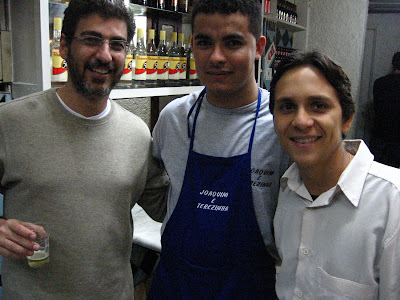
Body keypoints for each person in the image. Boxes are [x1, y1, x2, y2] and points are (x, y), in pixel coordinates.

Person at [0, 0, 169, 298]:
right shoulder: (11, 123)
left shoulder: (137, 134)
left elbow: (169, 206)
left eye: (117, 44)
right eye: (92, 40)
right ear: (64, 45)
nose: (104, 55)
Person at [148, 0, 289, 298]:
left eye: (232, 43)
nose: (216, 57)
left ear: (259, 47)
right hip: (175, 285)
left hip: (249, 288)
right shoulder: (173, 119)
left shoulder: (281, 124)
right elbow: (151, 183)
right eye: (204, 42)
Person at [270, 51, 400, 299]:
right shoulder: (288, 192)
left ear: (347, 118)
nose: (301, 121)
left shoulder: (392, 203)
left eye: (318, 105)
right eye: (287, 107)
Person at [370, 52, 400, 167]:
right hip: (398, 138)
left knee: (375, 170)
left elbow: (376, 107)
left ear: (392, 65)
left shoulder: (379, 83)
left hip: (380, 134)